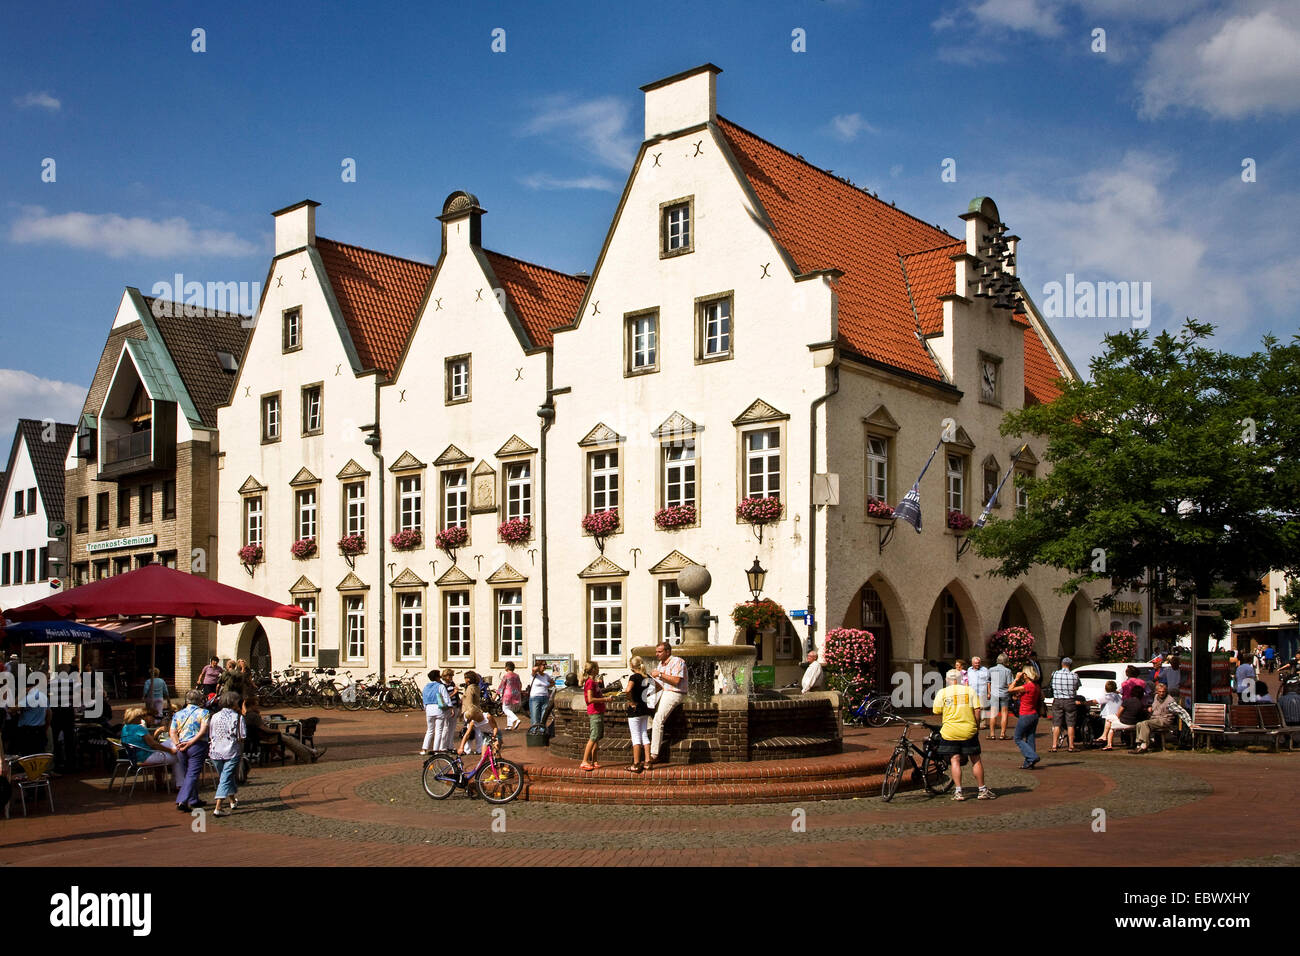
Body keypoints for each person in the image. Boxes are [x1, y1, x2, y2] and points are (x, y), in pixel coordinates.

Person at [932, 668, 994, 800]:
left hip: (950, 731)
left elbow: (936, 710)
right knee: (975, 759)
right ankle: (982, 789)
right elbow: (977, 710)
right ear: (961, 680)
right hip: (968, 730)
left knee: (955, 760)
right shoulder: (969, 690)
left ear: (947, 680)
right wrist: (976, 726)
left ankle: (958, 792)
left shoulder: (942, 692)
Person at [241, 698, 325, 762]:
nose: (257, 706)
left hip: (256, 737)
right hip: (265, 737)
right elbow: (264, 729)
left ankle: (312, 752)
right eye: (256, 705)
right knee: (292, 741)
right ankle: (309, 756)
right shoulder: (254, 716)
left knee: (290, 739)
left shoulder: (246, 716)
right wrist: (276, 731)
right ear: (252, 706)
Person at [169, 690, 211, 812]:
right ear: (199, 700)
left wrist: (178, 744)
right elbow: (203, 731)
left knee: (187, 773)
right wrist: (191, 742)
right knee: (193, 773)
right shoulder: (204, 712)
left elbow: (172, 732)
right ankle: (183, 800)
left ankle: (194, 799)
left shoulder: (178, 714)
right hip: (197, 746)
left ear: (186, 700)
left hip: (181, 746)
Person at [647, 641, 687, 769]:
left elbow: (676, 681)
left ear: (668, 652)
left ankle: (654, 755)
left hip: (674, 692)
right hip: (662, 692)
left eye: (659, 652)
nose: (656, 654)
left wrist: (659, 674)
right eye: (656, 652)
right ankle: (647, 743)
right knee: (644, 712)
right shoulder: (660, 664)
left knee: (658, 719)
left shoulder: (678, 661)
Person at [120, 706, 180, 787]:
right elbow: (153, 744)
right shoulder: (139, 728)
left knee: (171, 743)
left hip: (135, 756)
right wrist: (170, 751)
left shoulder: (125, 728)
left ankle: (164, 782)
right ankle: (178, 784)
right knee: (178, 758)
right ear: (134, 718)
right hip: (146, 756)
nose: (142, 719)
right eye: (140, 716)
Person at [207, 692, 245, 817]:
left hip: (215, 751)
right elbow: (242, 736)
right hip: (231, 751)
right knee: (225, 778)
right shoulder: (238, 717)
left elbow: (211, 733)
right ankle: (218, 807)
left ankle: (232, 800)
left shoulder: (214, 716)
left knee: (225, 776)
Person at [1007, 665, 1042, 769]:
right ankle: (1028, 763)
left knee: (1017, 738)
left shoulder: (1027, 686)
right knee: (1030, 737)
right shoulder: (1036, 686)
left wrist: (1016, 679)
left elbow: (1010, 689)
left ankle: (1032, 757)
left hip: (1026, 714)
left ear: (1026, 675)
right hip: (1034, 714)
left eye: (1023, 673)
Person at [579, 662, 611, 771]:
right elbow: (590, 699)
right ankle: (584, 761)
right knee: (593, 737)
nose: (599, 669)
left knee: (597, 737)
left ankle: (594, 760)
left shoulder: (594, 682)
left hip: (599, 711)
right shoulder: (590, 683)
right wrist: (605, 699)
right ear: (592, 670)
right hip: (594, 712)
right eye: (597, 667)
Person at [624, 656, 653, 773]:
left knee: (636, 737)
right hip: (644, 709)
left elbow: (627, 690)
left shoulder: (634, 677)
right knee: (644, 735)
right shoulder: (647, 677)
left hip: (635, 710)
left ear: (631, 666)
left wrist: (631, 702)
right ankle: (647, 762)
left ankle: (636, 764)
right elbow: (659, 687)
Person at [459, 674, 499, 754]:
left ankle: (469, 750)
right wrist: (461, 747)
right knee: (483, 755)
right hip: (486, 735)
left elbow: (495, 727)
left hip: (494, 735)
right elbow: (467, 735)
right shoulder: (476, 687)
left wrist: (494, 737)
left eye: (465, 678)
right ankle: (478, 750)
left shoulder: (487, 717)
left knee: (496, 753)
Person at [1049, 657, 1081, 752]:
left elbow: (1051, 685)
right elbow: (1077, 687)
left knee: (1056, 724)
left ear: (1062, 664)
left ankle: (1054, 745)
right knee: (1070, 724)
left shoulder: (1054, 674)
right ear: (1070, 665)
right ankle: (1071, 746)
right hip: (1070, 701)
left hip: (1057, 700)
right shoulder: (1074, 675)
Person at [1135, 681, 1177, 753]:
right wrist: (1150, 708)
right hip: (1155, 719)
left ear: (1166, 691)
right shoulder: (1156, 697)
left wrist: (1189, 723)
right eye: (1159, 691)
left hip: (1164, 720)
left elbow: (1180, 711)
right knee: (1139, 724)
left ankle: (1144, 745)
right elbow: (1155, 707)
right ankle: (1139, 745)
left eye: (1163, 692)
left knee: (1145, 723)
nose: (1161, 693)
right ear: (1157, 692)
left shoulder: (1170, 700)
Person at [14, 681, 50, 757]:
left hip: (28, 732)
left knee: (27, 756)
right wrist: (45, 727)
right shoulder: (43, 696)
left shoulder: (29, 697)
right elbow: (49, 714)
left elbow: (12, 708)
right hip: (40, 730)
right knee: (39, 755)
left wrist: (20, 695)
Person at [420, 669, 450, 756]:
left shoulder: (426, 686)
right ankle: (436, 750)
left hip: (429, 709)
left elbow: (423, 698)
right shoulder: (440, 686)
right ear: (437, 678)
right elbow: (446, 697)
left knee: (429, 730)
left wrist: (425, 707)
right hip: (438, 708)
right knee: (439, 730)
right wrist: (450, 707)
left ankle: (424, 749)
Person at [987, 654, 1014, 740]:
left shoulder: (991, 670)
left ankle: (992, 734)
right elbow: (1010, 684)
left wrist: (989, 692)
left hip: (994, 693)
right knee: (1004, 713)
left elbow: (988, 682)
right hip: (1004, 693)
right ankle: (1002, 734)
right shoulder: (1007, 671)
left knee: (993, 713)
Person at [526, 662, 555, 732]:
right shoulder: (534, 675)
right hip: (535, 698)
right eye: (543, 665)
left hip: (545, 698)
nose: (545, 666)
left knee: (543, 717)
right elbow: (534, 669)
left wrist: (548, 685)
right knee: (535, 717)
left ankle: (542, 733)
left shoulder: (546, 676)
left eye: (545, 665)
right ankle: (534, 732)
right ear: (538, 666)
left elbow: (553, 682)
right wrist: (539, 667)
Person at [1095, 680, 1123, 750]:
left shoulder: (1107, 696)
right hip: (1119, 717)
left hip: (1109, 716)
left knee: (1107, 720)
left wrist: (1082, 703)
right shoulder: (1119, 697)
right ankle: (1109, 743)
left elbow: (1095, 701)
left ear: (1105, 688)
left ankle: (1104, 737)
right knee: (1110, 724)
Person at [966, 656, 991, 731]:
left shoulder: (985, 670)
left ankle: (982, 724)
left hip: (982, 691)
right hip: (972, 692)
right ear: (972, 663)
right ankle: (973, 722)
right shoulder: (969, 670)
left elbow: (988, 682)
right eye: (976, 663)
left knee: (982, 708)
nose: (977, 664)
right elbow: (967, 681)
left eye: (978, 663)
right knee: (972, 708)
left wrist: (989, 692)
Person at [441, 669, 462, 751]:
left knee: (452, 727)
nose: (451, 677)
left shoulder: (452, 684)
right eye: (449, 676)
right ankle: (443, 746)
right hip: (447, 708)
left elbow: (456, 696)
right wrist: (454, 692)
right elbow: (444, 698)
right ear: (445, 676)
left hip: (454, 706)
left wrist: (458, 702)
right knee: (445, 727)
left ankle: (450, 745)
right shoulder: (442, 686)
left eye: (452, 676)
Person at [497, 662, 522, 730]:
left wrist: (497, 693)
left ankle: (516, 719)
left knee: (505, 709)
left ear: (507, 668)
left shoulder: (506, 676)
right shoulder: (517, 675)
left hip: (507, 695)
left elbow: (502, 685)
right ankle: (509, 726)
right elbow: (520, 684)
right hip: (516, 694)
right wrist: (519, 692)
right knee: (510, 709)